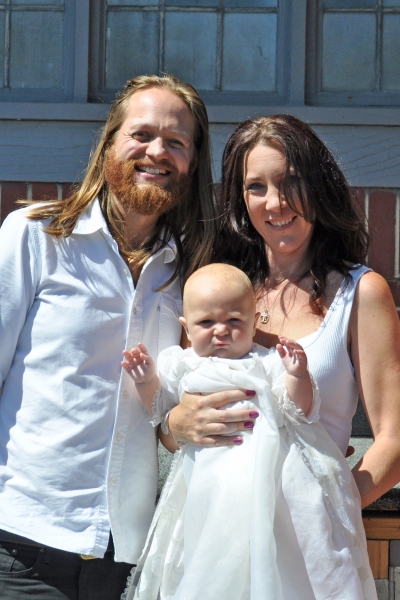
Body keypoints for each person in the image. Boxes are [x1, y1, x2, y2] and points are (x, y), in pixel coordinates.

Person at [0, 74, 231, 600]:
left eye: (176, 142)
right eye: (142, 134)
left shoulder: (193, 276)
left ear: (192, 163)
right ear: (108, 143)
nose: (157, 151)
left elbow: (171, 414)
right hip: (21, 543)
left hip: (125, 555)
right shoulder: (36, 237)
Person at [165, 113, 400, 513]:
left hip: (312, 546)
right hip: (215, 527)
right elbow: (177, 418)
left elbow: (393, 440)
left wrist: (332, 509)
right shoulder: (215, 290)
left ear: (318, 186)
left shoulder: (360, 292)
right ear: (241, 199)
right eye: (256, 187)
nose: (276, 202)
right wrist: (173, 426)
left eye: (291, 182)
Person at [121, 263, 376, 600]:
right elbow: (158, 408)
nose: (220, 331)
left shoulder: (267, 362)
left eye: (234, 321)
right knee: (210, 562)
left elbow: (300, 410)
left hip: (273, 487)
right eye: (206, 322)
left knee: (284, 564)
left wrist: (297, 376)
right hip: (208, 488)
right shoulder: (182, 363)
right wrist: (145, 381)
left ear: (255, 323)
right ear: (186, 326)